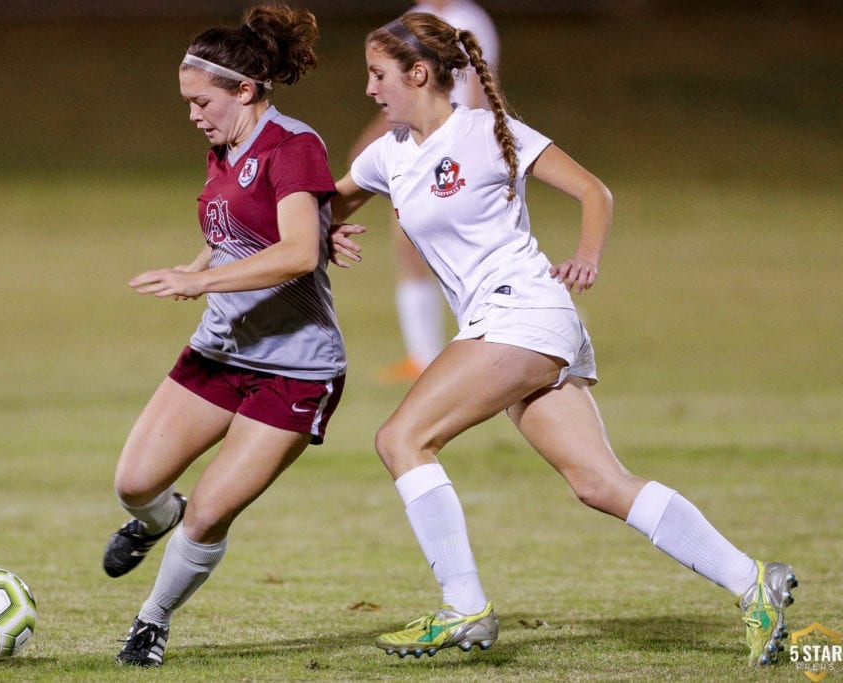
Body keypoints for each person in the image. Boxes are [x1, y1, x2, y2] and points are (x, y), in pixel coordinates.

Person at [329, 12, 796, 666]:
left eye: (379, 76)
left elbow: (591, 190)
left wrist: (586, 256)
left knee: (402, 438)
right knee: (598, 482)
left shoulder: (488, 133)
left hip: (522, 310)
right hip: (512, 325)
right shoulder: (387, 154)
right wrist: (317, 229)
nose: (371, 90)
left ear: (419, 72)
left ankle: (464, 607)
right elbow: (331, 204)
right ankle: (754, 581)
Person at [103, 4, 346, 667]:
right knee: (134, 483)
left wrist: (199, 285)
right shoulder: (224, 148)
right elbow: (238, 233)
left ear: (245, 89)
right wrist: (199, 263)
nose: (192, 114)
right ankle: (158, 519)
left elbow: (296, 253)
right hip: (220, 350)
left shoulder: (294, 146)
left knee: (209, 513)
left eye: (200, 100)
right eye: (186, 102)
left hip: (295, 367)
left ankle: (152, 620)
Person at [348, 0, 500, 383]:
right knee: (410, 248)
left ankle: (510, 337)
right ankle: (424, 357)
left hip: (449, 150)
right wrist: (371, 139)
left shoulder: (466, 18)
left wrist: (478, 145)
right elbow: (398, 86)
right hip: (418, 144)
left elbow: (481, 84)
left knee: (469, 254)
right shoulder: (415, 16)